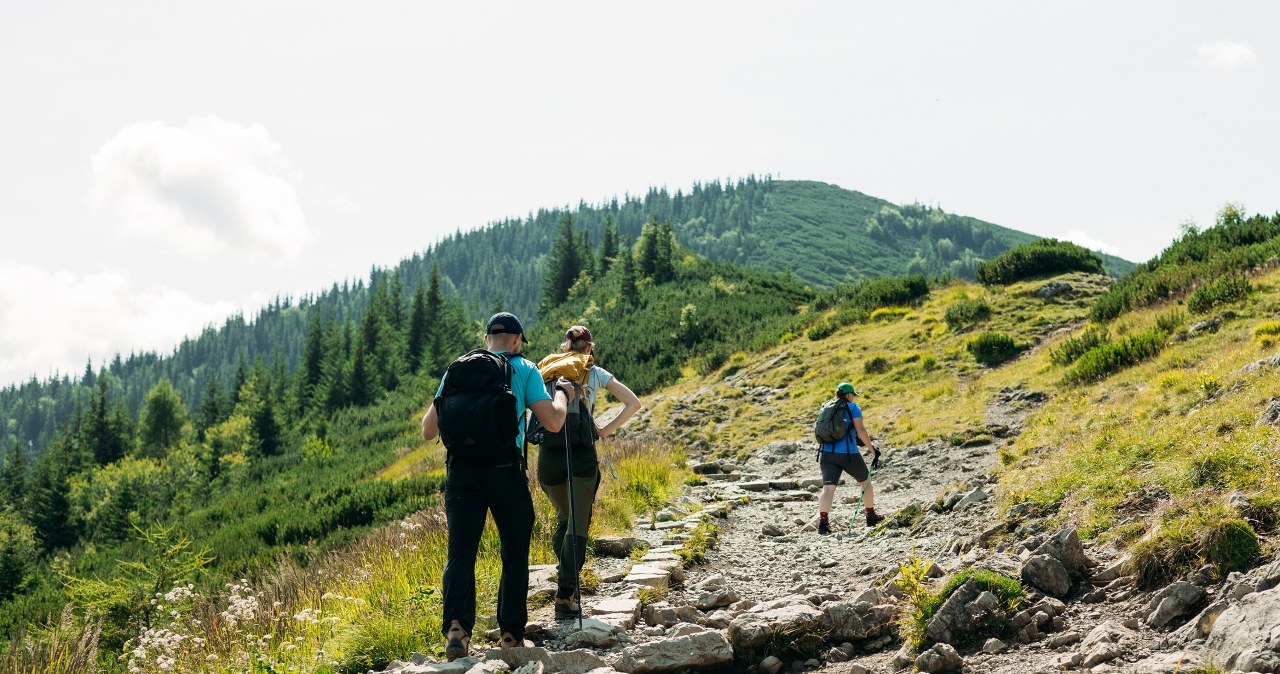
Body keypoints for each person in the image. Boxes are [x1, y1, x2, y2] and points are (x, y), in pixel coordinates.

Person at [421, 312, 575, 661]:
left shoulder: (456, 370)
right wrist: (562, 395)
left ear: (488, 337)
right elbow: (552, 422)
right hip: (505, 471)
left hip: (461, 474)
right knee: (514, 552)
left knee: (461, 553)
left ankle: (457, 630)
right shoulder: (525, 369)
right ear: (518, 340)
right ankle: (510, 636)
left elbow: (429, 431)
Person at [536, 325, 643, 618]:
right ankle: (565, 595)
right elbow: (634, 403)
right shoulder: (594, 373)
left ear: (565, 347)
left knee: (565, 517)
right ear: (589, 348)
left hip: (548, 457)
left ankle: (564, 571)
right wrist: (604, 430)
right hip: (581, 454)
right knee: (578, 526)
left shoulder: (544, 370)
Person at [817, 382, 884, 534]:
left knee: (828, 488)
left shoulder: (826, 407)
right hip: (848, 454)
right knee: (865, 481)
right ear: (848, 395)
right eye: (852, 395)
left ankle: (823, 524)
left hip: (827, 453)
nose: (853, 398)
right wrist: (872, 450)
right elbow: (860, 429)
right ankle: (870, 515)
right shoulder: (854, 408)